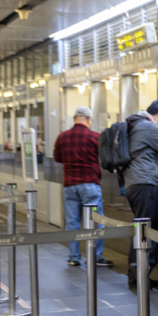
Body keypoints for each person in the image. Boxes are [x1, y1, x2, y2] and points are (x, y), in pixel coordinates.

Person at [53, 107, 112, 268]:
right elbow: (105, 158)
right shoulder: (94, 137)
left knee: (72, 222)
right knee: (96, 221)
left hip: (69, 185)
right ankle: (96, 256)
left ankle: (73, 257)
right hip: (90, 184)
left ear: (74, 119)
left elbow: (57, 158)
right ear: (89, 119)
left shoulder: (62, 137)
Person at [125, 99, 158, 289]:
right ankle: (137, 276)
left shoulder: (136, 125)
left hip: (135, 183)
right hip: (145, 184)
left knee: (154, 229)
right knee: (146, 230)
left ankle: (140, 274)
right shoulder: (149, 127)